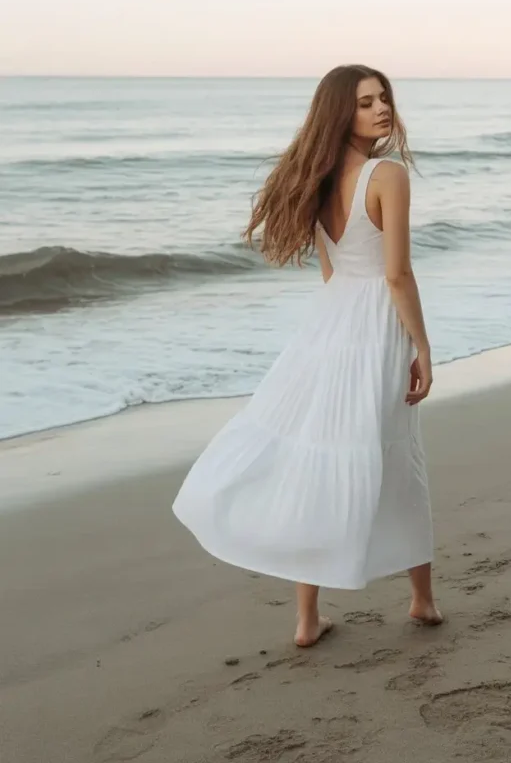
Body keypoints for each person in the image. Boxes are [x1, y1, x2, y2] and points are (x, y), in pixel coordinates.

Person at [172, 64, 441, 647]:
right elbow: (396, 274)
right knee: (398, 456)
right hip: (375, 328)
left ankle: (306, 619)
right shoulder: (387, 174)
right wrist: (420, 345)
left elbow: (330, 270)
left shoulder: (316, 179)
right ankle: (421, 600)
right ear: (341, 112)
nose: (381, 109)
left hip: (329, 327)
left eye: (383, 98)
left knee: (318, 456)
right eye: (366, 102)